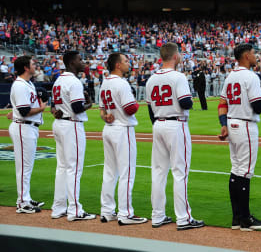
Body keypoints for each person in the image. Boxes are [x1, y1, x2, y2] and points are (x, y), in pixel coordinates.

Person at [146, 42, 204, 230]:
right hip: (176, 124)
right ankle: (183, 218)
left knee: (158, 172)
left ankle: (157, 216)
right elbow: (186, 102)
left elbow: (149, 109)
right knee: (180, 172)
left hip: (158, 124)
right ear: (175, 56)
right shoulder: (178, 77)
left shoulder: (151, 78)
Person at [218, 43, 261, 231]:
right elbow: (259, 106)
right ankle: (246, 218)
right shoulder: (250, 76)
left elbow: (222, 103)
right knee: (245, 172)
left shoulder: (231, 76)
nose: (255, 56)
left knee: (236, 169)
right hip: (245, 124)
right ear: (246, 56)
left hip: (231, 123)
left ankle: (237, 217)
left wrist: (223, 124)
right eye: (254, 53)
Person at [99, 53, 147, 226]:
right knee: (126, 173)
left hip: (109, 128)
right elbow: (130, 108)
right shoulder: (121, 83)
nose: (129, 63)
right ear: (118, 65)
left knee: (110, 172)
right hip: (122, 129)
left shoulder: (105, 82)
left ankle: (107, 211)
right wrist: (139, 102)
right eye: (126, 61)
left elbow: (102, 110)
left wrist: (106, 117)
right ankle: (125, 213)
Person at [50, 51, 96, 221]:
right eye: (79, 60)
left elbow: (52, 107)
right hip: (72, 125)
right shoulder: (73, 81)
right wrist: (90, 104)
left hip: (60, 124)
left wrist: (57, 111)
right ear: (71, 63)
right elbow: (77, 108)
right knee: (74, 168)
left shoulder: (58, 80)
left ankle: (58, 207)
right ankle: (75, 210)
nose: (82, 62)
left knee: (62, 167)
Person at [8, 56, 47, 214]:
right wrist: (42, 107)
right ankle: (22, 203)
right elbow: (24, 111)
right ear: (25, 67)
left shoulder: (27, 83)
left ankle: (26, 197)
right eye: (32, 63)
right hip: (23, 127)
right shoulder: (20, 85)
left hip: (28, 127)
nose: (34, 65)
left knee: (26, 167)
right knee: (24, 167)